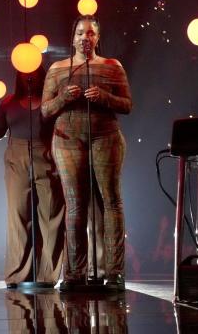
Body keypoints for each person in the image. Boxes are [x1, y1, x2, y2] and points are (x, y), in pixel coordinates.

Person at [41, 15, 132, 292]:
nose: (85, 38)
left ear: (97, 38)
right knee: (75, 204)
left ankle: (114, 272)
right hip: (67, 139)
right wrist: (63, 98)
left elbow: (127, 104)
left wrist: (104, 97)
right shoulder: (57, 69)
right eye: (80, 33)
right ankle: (74, 274)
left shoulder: (112, 66)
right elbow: (45, 110)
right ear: (73, 38)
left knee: (111, 201)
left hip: (105, 137)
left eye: (90, 33)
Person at [0, 66, 65, 287]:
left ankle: (47, 276)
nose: (29, 75)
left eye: (34, 71)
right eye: (24, 71)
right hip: (16, 157)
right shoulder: (8, 102)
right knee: (18, 215)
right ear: (18, 75)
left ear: (42, 75)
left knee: (51, 214)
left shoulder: (52, 101)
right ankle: (18, 275)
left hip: (46, 154)